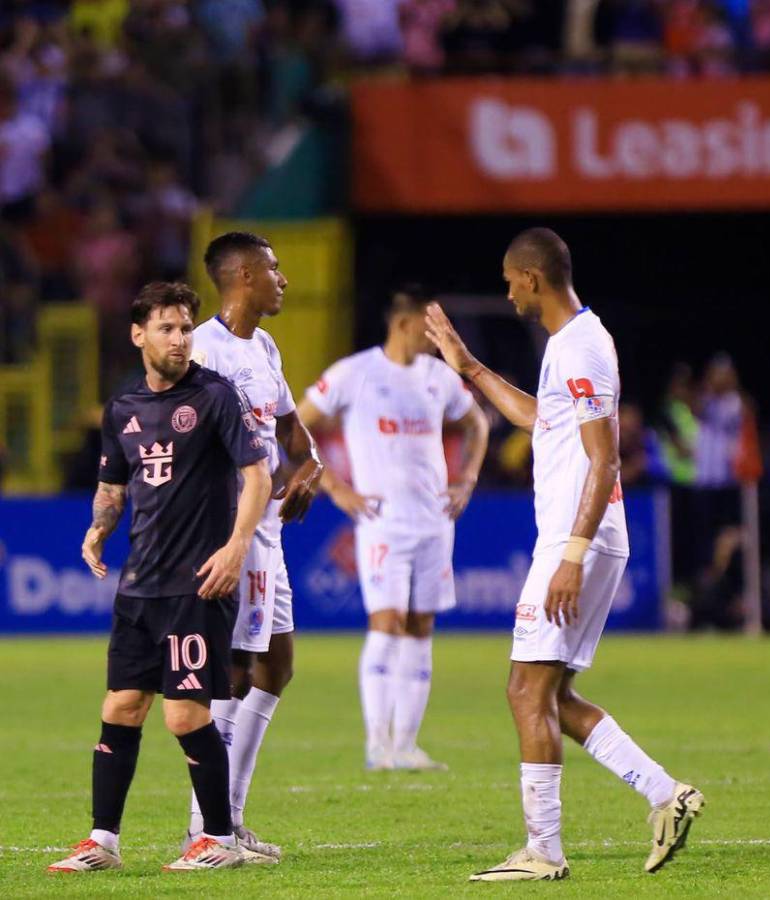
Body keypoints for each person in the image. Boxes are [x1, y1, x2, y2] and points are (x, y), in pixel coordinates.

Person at [424, 227, 704, 882]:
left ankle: (543, 851)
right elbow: (539, 417)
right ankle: (666, 794)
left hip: (577, 537)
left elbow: (605, 455)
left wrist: (573, 554)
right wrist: (469, 367)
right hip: (585, 535)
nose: (506, 289)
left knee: (525, 688)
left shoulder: (580, 347)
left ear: (531, 278)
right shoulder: (570, 343)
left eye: (507, 279)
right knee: (552, 693)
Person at [47, 281, 271, 873]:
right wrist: (99, 528)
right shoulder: (121, 409)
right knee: (121, 706)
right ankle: (102, 841)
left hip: (197, 582)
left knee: (184, 714)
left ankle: (219, 840)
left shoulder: (215, 396)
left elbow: (258, 475)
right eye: (167, 328)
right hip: (139, 585)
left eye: (186, 327)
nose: (179, 338)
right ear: (137, 334)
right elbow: (114, 485)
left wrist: (237, 545)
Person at [297, 287, 489, 771]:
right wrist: (336, 488)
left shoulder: (437, 378)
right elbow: (296, 427)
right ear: (405, 324)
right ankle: (376, 744)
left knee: (421, 626)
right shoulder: (355, 373)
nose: (435, 339)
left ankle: (406, 745)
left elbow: (477, 424)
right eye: (429, 328)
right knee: (386, 623)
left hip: (434, 522)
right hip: (382, 523)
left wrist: (466, 479)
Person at [185, 231, 324, 861]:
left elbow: (293, 432)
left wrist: (311, 471)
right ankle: (207, 828)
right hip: (231, 529)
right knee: (234, 672)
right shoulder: (202, 352)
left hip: (269, 530)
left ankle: (228, 819)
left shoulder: (264, 346)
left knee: (276, 666)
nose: (283, 279)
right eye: (274, 268)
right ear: (242, 276)